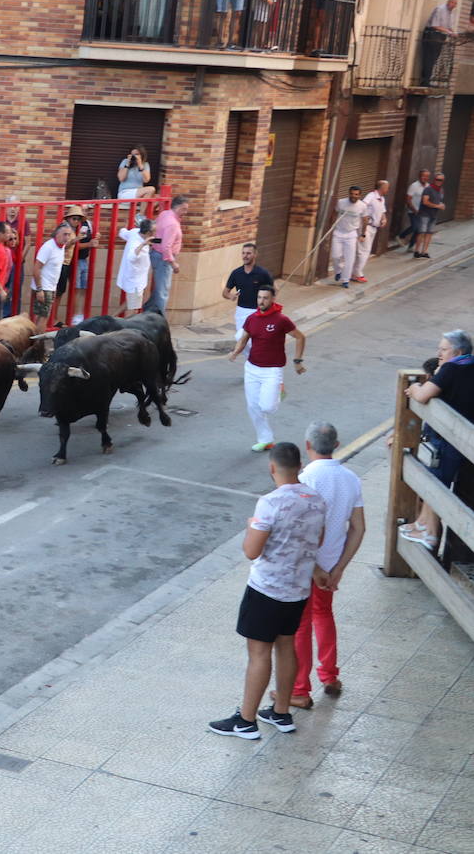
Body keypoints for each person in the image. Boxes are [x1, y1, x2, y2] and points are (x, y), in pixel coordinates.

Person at [209, 442, 326, 740]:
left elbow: (251, 550)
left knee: (259, 653)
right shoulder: (317, 500)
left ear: (272, 467)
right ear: (300, 466)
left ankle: (246, 721)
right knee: (286, 647)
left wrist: (252, 526)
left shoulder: (270, 503)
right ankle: (281, 712)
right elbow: (318, 540)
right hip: (298, 590)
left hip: (266, 589)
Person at [285, 421, 365, 710]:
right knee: (324, 614)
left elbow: (300, 530)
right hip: (332, 564)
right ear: (337, 444)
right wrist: (338, 568)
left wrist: (316, 569)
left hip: (307, 566)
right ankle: (330, 676)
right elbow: (358, 528)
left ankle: (299, 690)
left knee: (301, 625)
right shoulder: (351, 478)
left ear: (307, 446)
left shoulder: (304, 479)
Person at [398, 329, 474, 551]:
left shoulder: (452, 368)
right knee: (435, 481)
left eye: (443, 349)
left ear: (457, 351)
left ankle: (429, 533)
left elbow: (422, 395)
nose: (439, 353)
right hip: (461, 437)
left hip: (446, 437)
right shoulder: (469, 365)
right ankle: (422, 525)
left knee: (435, 484)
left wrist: (413, 387)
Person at [228, 284, 306, 452]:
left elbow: (300, 337)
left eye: (265, 298)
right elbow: (244, 338)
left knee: (268, 407)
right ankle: (265, 439)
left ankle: (279, 390)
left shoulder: (281, 320)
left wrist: (297, 360)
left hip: (272, 370)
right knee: (253, 407)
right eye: (259, 297)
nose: (261, 301)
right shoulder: (252, 319)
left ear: (272, 299)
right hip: (252, 368)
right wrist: (235, 352)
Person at [222, 242, 273, 350]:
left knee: (244, 338)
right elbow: (225, 292)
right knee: (243, 341)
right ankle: (252, 361)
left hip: (257, 312)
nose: (245, 256)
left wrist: (267, 308)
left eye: (248, 253)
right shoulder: (236, 273)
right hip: (241, 312)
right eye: (243, 253)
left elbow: (273, 292)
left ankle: (254, 362)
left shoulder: (263, 273)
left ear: (255, 254)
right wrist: (231, 296)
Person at [148, 195, 187, 314]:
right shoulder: (173, 224)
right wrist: (173, 263)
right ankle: (159, 320)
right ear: (178, 208)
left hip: (155, 253)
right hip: (163, 260)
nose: (185, 212)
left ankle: (148, 312)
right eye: (184, 209)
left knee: (159, 290)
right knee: (162, 292)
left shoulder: (164, 214)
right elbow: (166, 246)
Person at [59, 205, 97, 323]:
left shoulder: (88, 225)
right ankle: (74, 316)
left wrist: (95, 239)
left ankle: (78, 315)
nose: (78, 220)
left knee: (82, 288)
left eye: (86, 211)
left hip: (82, 259)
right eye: (75, 218)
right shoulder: (68, 228)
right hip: (70, 261)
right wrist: (89, 244)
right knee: (72, 289)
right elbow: (68, 245)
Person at [330, 186, 368, 289]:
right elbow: (334, 213)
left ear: (359, 195)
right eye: (351, 193)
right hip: (338, 232)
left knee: (349, 259)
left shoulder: (362, 206)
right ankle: (338, 271)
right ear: (349, 193)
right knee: (335, 256)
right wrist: (331, 227)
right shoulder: (341, 202)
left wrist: (363, 234)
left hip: (351, 234)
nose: (353, 196)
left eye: (356, 194)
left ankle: (345, 280)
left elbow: (365, 220)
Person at [31, 225, 70, 327]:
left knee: (42, 316)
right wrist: (39, 289)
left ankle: (36, 340)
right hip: (44, 287)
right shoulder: (48, 247)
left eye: (68, 235)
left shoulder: (61, 247)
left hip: (50, 287)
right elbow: (36, 268)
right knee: (42, 317)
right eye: (64, 234)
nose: (67, 237)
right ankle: (37, 341)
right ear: (57, 235)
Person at [116, 217, 154, 312]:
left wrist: (125, 224)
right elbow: (131, 257)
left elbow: (122, 233)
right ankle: (116, 323)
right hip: (135, 281)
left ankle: (110, 318)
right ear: (149, 233)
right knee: (133, 309)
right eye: (155, 231)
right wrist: (143, 244)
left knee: (130, 304)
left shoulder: (134, 232)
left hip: (138, 279)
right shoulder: (136, 243)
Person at [354, 180, 388, 283]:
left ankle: (354, 272)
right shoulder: (371, 196)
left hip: (374, 228)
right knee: (363, 252)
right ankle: (358, 274)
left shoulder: (382, 199)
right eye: (387, 187)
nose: (388, 190)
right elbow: (362, 205)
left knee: (364, 251)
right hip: (366, 227)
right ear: (381, 188)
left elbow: (382, 211)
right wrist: (366, 216)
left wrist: (384, 219)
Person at [421, 0, 458, 87]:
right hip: (432, 34)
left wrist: (454, 33)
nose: (453, 5)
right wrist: (450, 32)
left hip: (440, 36)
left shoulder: (450, 13)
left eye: (455, 3)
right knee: (429, 58)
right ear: (448, 2)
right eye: (452, 2)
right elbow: (435, 25)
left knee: (434, 58)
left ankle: (427, 80)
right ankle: (425, 81)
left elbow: (449, 27)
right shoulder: (440, 9)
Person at [415, 172, 445, 259]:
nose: (439, 181)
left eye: (441, 180)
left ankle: (424, 252)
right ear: (434, 180)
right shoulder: (428, 189)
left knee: (429, 233)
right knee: (422, 232)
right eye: (437, 179)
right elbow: (425, 202)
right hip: (424, 214)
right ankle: (417, 251)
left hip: (433, 215)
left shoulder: (441, 190)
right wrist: (437, 206)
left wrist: (441, 205)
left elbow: (439, 200)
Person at [401, 169, 431, 249]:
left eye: (427, 176)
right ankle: (401, 236)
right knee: (415, 227)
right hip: (413, 211)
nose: (425, 178)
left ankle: (411, 246)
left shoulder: (428, 187)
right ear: (420, 176)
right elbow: (408, 199)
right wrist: (414, 210)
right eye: (423, 176)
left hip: (423, 212)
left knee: (419, 230)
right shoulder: (414, 186)